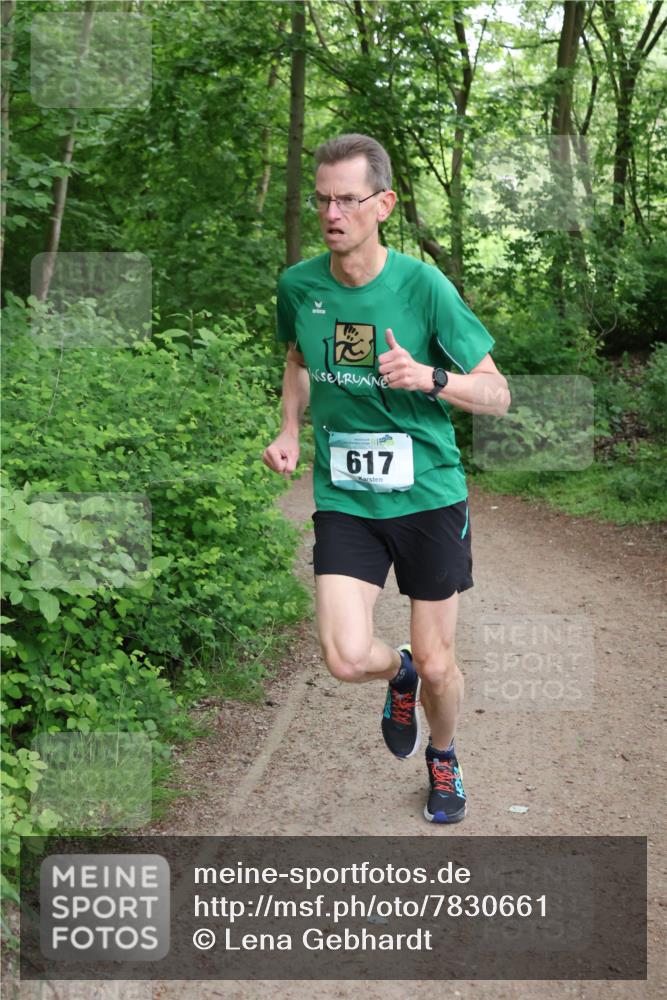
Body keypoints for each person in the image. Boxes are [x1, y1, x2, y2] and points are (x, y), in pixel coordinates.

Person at [263, 134, 510, 823]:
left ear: (383, 204)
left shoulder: (422, 287)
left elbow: (497, 394)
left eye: (347, 199)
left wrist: (431, 378)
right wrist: (288, 429)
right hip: (345, 497)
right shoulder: (299, 285)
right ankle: (393, 673)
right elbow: (296, 357)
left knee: (440, 664)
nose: (331, 213)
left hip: (428, 495)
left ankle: (443, 755)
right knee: (345, 658)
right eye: (322, 199)